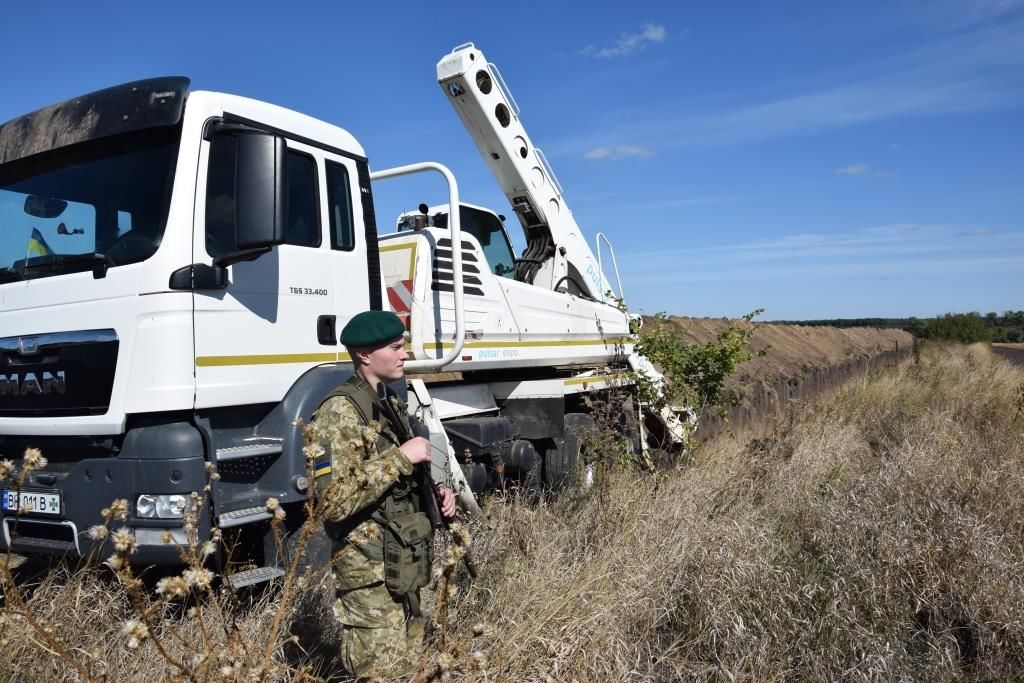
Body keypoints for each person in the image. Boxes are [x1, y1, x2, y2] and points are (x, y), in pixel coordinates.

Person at [308, 310, 457, 678]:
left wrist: (436, 493)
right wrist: (401, 458)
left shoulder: (388, 403)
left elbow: (397, 482)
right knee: (381, 672)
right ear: (364, 355)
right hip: (368, 573)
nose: (405, 353)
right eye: (396, 347)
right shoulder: (340, 412)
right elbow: (333, 502)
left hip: (401, 563)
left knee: (407, 667)